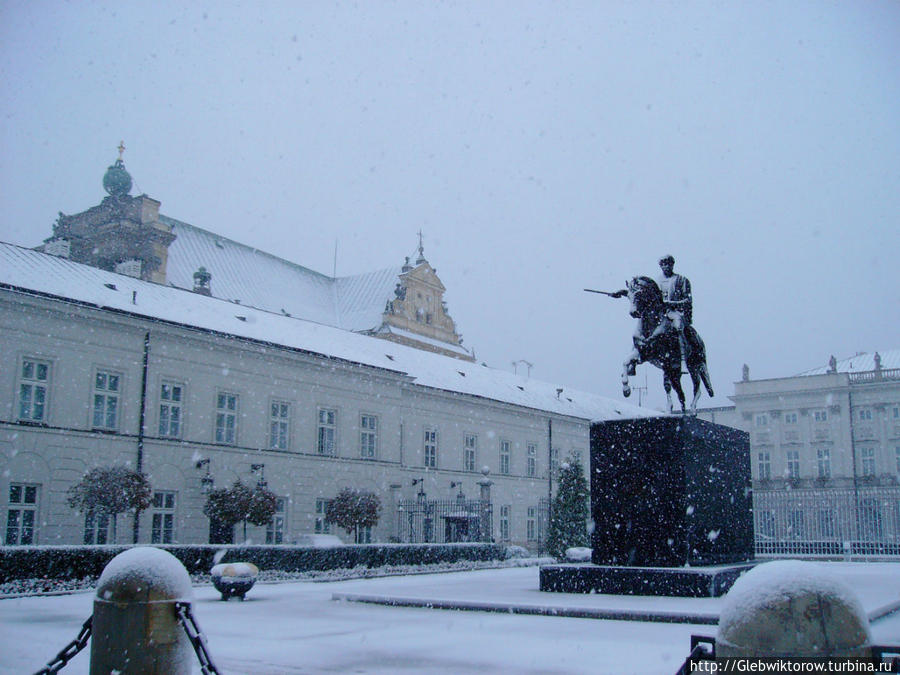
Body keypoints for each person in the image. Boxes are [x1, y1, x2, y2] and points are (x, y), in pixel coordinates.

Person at [649, 254, 692, 361]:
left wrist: (672, 303)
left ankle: (683, 358)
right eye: (663, 264)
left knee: (678, 325)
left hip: (675, 312)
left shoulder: (681, 280)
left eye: (668, 264)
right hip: (659, 314)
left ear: (672, 265)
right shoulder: (656, 281)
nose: (666, 266)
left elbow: (688, 300)